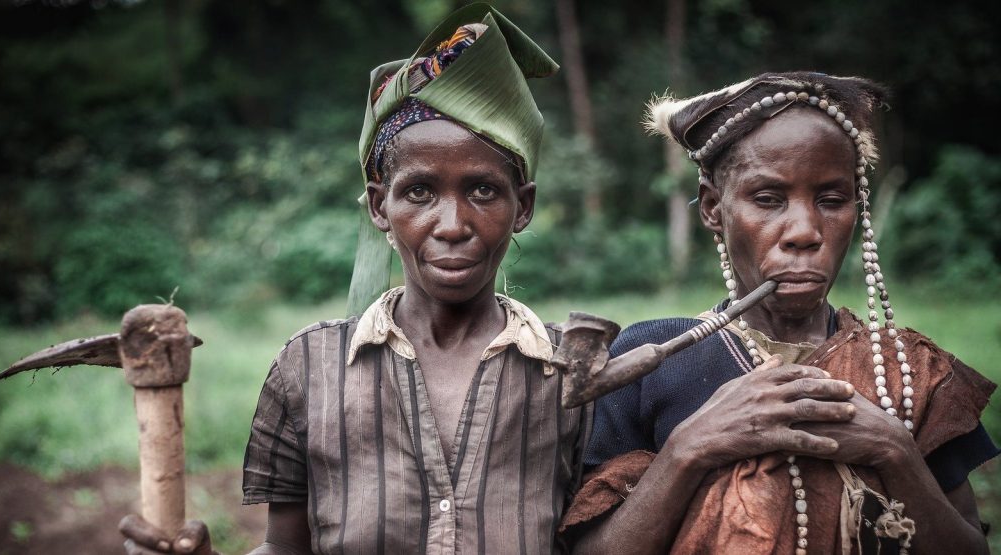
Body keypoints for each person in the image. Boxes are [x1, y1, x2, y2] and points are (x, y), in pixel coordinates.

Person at [120, 4, 591, 554]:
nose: (452, 225)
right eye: (418, 192)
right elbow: (285, 548)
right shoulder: (308, 370)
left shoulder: (574, 373)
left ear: (523, 207)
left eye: (483, 190)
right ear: (378, 206)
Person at [561, 72, 997, 554]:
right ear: (712, 208)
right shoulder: (651, 362)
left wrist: (895, 452)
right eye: (768, 199)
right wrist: (689, 449)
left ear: (858, 206)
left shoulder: (913, 374)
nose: (805, 232)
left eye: (832, 200)